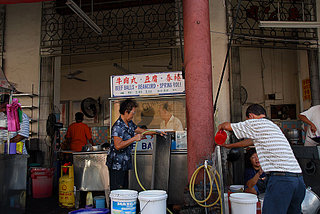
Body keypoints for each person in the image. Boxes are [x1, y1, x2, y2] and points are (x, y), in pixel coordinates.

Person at [218, 104, 305, 214]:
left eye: (247, 119)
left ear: (251, 116)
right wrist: (230, 146)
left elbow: (228, 126)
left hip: (282, 180)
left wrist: (220, 126)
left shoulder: (256, 123)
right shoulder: (272, 126)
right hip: (298, 180)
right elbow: (250, 141)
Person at [107, 99, 164, 190]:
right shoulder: (118, 126)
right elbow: (118, 146)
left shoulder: (129, 123)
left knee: (125, 189)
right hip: (116, 165)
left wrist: (157, 132)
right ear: (126, 112)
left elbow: (142, 131)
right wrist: (134, 138)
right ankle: (115, 204)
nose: (133, 115)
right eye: (132, 113)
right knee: (117, 191)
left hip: (125, 163)